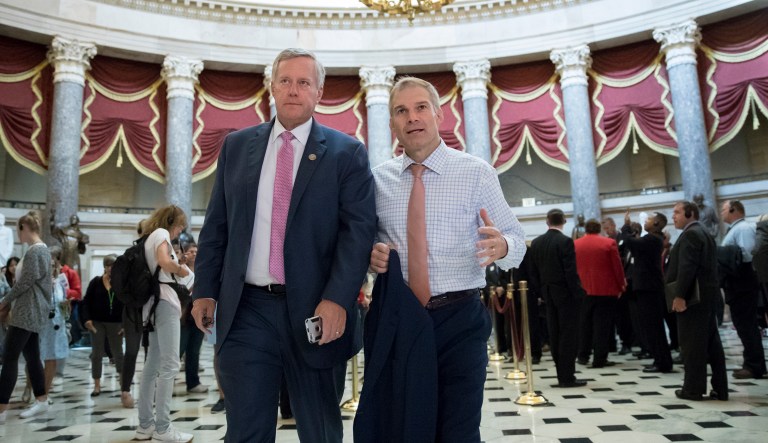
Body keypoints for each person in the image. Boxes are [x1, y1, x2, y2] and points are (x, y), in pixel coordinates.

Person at [191, 48, 376, 443]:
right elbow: (217, 225)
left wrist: (338, 299)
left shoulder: (347, 154)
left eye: (304, 82)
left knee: (320, 430)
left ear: (319, 92)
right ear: (272, 86)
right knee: (245, 431)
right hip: (246, 311)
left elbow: (357, 234)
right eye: (286, 81)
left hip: (316, 311)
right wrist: (204, 289)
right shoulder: (237, 147)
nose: (294, 90)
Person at [366, 76, 526, 442]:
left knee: (458, 430)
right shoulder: (377, 181)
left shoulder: (476, 173)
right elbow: (364, 245)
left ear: (438, 113)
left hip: (459, 319)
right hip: (399, 319)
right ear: (392, 123)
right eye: (401, 111)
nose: (412, 118)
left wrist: (501, 246)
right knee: (405, 426)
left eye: (421, 107)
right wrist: (369, 256)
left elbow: (517, 241)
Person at [135, 205, 194, 442]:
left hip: (151, 304)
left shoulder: (149, 237)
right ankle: (162, 428)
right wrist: (181, 269)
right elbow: (164, 262)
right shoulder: (161, 235)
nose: (180, 231)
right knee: (170, 366)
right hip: (165, 303)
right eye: (180, 226)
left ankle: (145, 426)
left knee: (152, 366)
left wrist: (174, 263)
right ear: (173, 222)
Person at [667, 201, 727, 401]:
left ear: (690, 213)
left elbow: (687, 267)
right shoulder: (703, 232)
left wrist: (680, 295)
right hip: (707, 297)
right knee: (711, 344)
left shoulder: (691, 233)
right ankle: (720, 388)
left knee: (692, 345)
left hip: (694, 298)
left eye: (676, 212)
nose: (673, 216)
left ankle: (692, 389)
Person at [0, 211, 52, 422]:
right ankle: (41, 400)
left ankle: (1, 408)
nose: (17, 235)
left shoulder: (36, 252)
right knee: (31, 357)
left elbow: (23, 283)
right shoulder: (37, 250)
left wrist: (4, 301)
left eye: (18, 230)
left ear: (24, 228)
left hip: (28, 311)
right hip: (30, 310)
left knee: (9, 357)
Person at [529, 208, 586, 388]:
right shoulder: (565, 241)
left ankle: (560, 375)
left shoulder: (536, 243)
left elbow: (534, 273)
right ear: (564, 221)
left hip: (547, 295)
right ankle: (568, 377)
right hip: (565, 295)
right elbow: (570, 272)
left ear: (547, 221)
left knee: (554, 334)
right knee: (568, 335)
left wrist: (540, 293)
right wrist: (578, 294)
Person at [619, 211, 673, 373]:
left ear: (656, 224)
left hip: (649, 287)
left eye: (649, 219)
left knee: (654, 327)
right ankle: (660, 360)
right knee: (651, 327)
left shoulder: (652, 239)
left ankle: (662, 362)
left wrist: (626, 227)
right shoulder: (653, 239)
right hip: (647, 287)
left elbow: (630, 242)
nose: (646, 221)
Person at [719, 200, 766, 379]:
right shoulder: (736, 229)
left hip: (743, 283)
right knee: (743, 326)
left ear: (733, 210)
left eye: (724, 209)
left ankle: (754, 366)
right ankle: (752, 363)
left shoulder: (744, 228)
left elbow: (747, 256)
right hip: (738, 284)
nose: (722, 213)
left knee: (747, 326)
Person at [574, 219, 626, 368]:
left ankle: (582, 356)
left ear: (586, 229)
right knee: (602, 326)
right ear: (599, 229)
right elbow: (617, 267)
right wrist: (621, 285)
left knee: (584, 324)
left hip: (583, 289)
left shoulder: (576, 244)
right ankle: (599, 359)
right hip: (605, 290)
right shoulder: (608, 243)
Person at [81, 254, 125, 397]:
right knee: (97, 354)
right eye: (108, 265)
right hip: (97, 322)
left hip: (116, 323)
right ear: (104, 267)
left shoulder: (121, 283)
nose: (110, 268)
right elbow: (86, 301)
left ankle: (123, 382)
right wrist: (87, 319)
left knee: (118, 353)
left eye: (113, 265)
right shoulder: (96, 282)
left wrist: (125, 324)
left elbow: (127, 304)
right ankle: (97, 385)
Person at [50, 212, 89, 277]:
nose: (73, 220)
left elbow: (82, 251)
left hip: (74, 259)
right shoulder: (64, 232)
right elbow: (53, 232)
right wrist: (52, 220)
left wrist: (82, 244)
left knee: (74, 278)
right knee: (63, 277)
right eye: (72, 218)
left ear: (77, 221)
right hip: (64, 257)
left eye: (75, 218)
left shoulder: (81, 235)